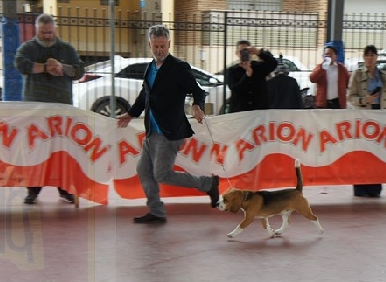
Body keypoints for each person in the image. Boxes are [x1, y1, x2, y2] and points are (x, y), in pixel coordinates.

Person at [116, 25, 219, 224]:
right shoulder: (150, 68)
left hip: (169, 131)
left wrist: (197, 106)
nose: (159, 50)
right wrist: (131, 113)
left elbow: (198, 91)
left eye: (163, 46)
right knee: (143, 170)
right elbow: (145, 95)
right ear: (150, 45)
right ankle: (156, 211)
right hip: (152, 131)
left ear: (169, 44)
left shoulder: (178, 67)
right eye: (156, 46)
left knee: (161, 174)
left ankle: (208, 183)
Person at [14, 13, 85, 205]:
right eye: (43, 33)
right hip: (35, 107)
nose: (47, 36)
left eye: (50, 32)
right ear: (37, 30)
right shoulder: (27, 48)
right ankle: (33, 189)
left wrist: (63, 68)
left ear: (55, 30)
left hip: (61, 107)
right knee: (35, 149)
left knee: (62, 149)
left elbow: (79, 71)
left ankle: (64, 188)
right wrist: (46, 67)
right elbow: (21, 64)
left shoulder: (67, 49)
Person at [347, 44, 386, 198]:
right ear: (363, 57)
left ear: (377, 57)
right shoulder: (357, 74)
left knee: (378, 154)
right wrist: (364, 100)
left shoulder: (383, 75)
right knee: (362, 153)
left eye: (372, 55)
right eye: (367, 55)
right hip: (364, 117)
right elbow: (350, 97)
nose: (370, 58)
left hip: (380, 116)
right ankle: (360, 188)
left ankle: (375, 187)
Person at [226, 40, 277, 113]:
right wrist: (247, 75)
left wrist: (259, 53)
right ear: (237, 53)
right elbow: (235, 89)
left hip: (258, 109)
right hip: (240, 110)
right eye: (241, 51)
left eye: (246, 51)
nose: (244, 53)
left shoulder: (259, 67)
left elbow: (273, 63)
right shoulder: (232, 70)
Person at [309, 44, 350, 109]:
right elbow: (312, 79)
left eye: (330, 54)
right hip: (323, 102)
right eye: (326, 54)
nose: (328, 56)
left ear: (335, 56)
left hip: (337, 102)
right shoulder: (320, 67)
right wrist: (322, 68)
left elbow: (349, 82)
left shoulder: (341, 68)